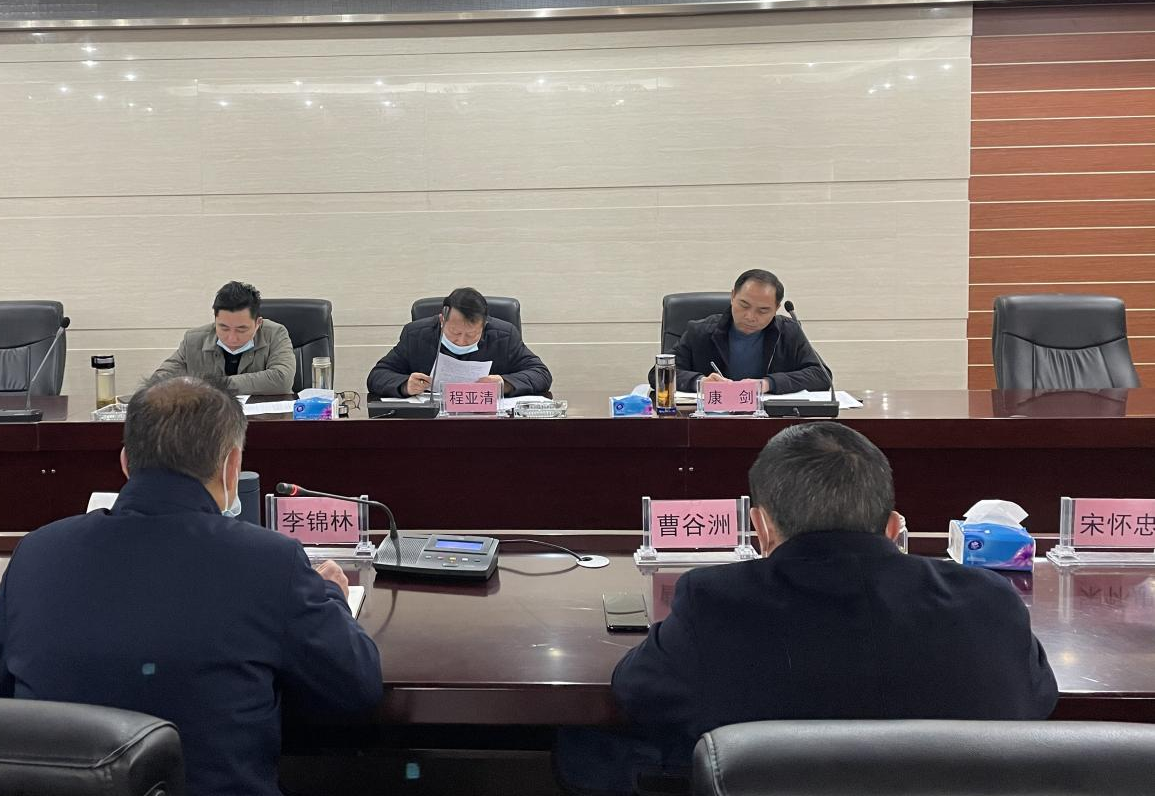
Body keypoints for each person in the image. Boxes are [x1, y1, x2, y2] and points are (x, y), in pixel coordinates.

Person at [557, 422, 1058, 795]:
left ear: (761, 527)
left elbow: (637, 693)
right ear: (893, 526)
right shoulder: (990, 600)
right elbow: (1037, 701)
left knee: (576, 748)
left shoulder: (713, 599)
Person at [0, 376, 383, 796]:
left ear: (126, 462)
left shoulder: (37, 552)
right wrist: (331, 596)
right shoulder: (270, 561)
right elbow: (356, 689)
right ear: (232, 465)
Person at [651, 269, 827, 394]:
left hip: (770, 420)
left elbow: (821, 376)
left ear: (776, 308)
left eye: (763, 310)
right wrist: (700, 382)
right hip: (710, 418)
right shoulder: (700, 331)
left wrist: (768, 384)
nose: (750, 316)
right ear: (733, 296)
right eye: (744, 305)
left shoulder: (788, 332)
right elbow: (659, 374)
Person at [367, 287, 552, 398]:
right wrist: (404, 385)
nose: (462, 340)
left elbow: (541, 374)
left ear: (484, 324)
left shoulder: (504, 335)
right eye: (455, 332)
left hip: (489, 424)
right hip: (431, 425)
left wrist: (505, 383)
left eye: (471, 334)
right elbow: (377, 376)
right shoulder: (415, 334)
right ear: (442, 320)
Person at [150, 280, 296, 395]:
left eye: (241, 329)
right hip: (211, 419)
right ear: (215, 320)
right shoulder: (193, 340)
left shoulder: (275, 334)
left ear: (258, 323)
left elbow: (282, 380)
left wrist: (214, 385)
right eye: (224, 327)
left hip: (266, 419)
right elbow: (159, 380)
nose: (232, 338)